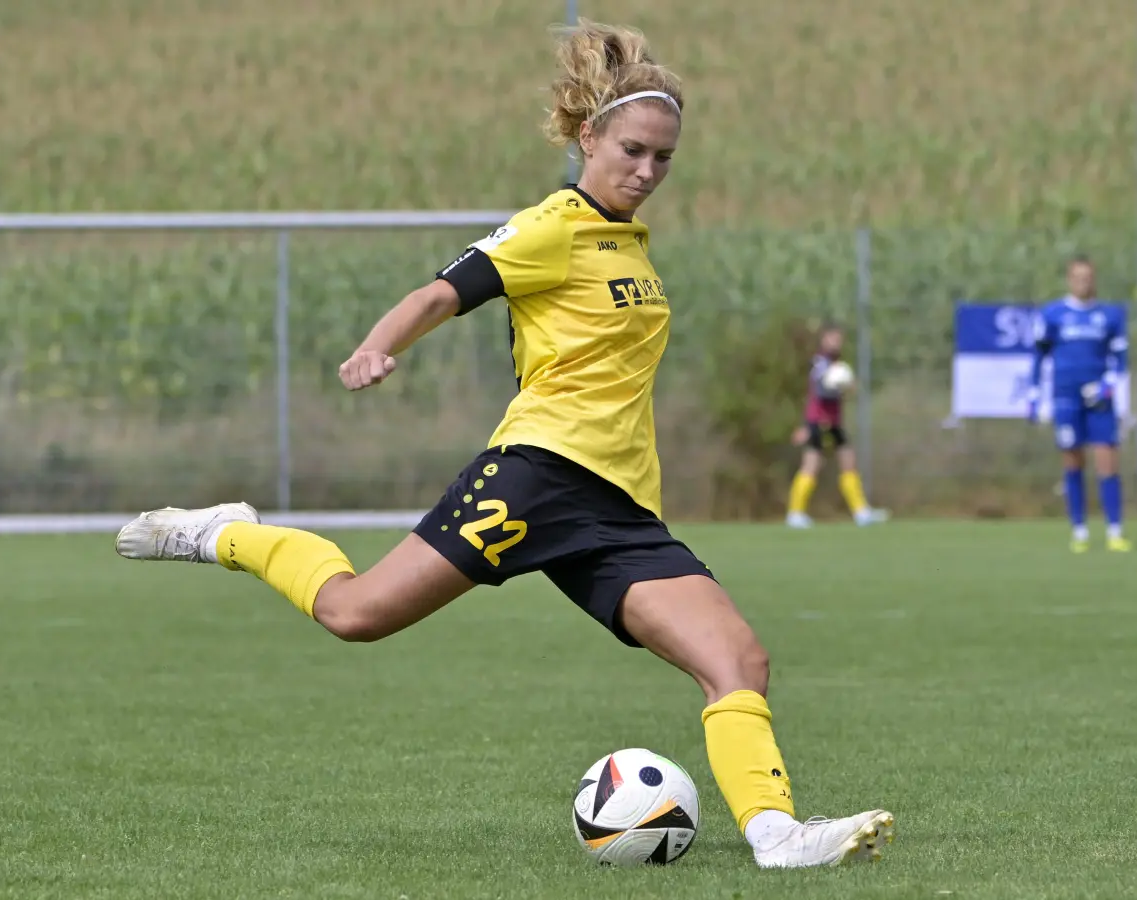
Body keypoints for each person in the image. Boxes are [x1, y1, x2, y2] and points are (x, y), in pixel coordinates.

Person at [112, 19, 893, 869]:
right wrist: (380, 345)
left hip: (622, 508)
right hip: (539, 475)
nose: (647, 171)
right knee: (354, 613)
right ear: (588, 137)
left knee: (740, 658)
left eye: (664, 158)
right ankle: (225, 533)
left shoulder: (629, 240)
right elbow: (441, 293)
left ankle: (777, 838)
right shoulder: (552, 226)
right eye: (632, 150)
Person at [1026, 256, 1131, 552]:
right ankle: (1080, 531)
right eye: (1078, 277)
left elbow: (1120, 360)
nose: (1083, 282)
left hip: (1097, 401)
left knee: (1107, 460)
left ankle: (1114, 530)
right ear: (1069, 280)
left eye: (1088, 277)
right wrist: (1034, 395)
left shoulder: (1109, 316)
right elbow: (1039, 356)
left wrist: (1106, 385)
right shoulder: (1053, 315)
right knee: (1072, 461)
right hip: (1066, 398)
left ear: (1094, 279)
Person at [785, 325, 886, 528]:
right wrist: (842, 385)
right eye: (832, 338)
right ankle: (795, 513)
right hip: (820, 421)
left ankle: (861, 512)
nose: (836, 342)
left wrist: (845, 385)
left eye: (839, 338)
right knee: (812, 465)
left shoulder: (834, 363)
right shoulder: (820, 363)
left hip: (833, 421)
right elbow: (821, 391)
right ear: (823, 339)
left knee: (848, 461)